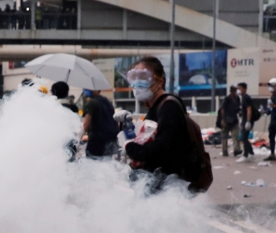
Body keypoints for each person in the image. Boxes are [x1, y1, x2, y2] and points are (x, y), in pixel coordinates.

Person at [124, 57, 199, 191]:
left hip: (167, 187)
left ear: (160, 81)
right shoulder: (156, 107)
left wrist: (132, 149)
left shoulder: (168, 106)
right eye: (134, 77)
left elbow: (164, 146)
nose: (137, 83)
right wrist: (127, 128)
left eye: (143, 77)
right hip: (155, 184)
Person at [80, 87, 118, 158]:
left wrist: (79, 138)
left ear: (95, 90)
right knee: (106, 162)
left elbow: (86, 124)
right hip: (110, 139)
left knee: (93, 162)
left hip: (97, 140)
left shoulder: (92, 103)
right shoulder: (107, 102)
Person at [218, 86, 241, 157]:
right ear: (232, 91)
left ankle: (236, 150)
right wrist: (223, 120)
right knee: (224, 137)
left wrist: (240, 112)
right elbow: (223, 109)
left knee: (235, 136)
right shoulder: (227, 99)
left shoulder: (237, 99)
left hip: (234, 120)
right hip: (227, 120)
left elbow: (237, 108)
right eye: (235, 91)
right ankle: (225, 151)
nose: (236, 92)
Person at [237, 82, 256, 160]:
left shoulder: (246, 98)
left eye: (240, 88)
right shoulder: (243, 98)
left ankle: (245, 155)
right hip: (245, 120)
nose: (238, 90)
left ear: (244, 89)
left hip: (248, 120)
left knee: (244, 137)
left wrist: (248, 121)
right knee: (244, 137)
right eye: (238, 88)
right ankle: (251, 153)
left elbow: (249, 110)